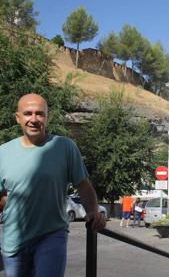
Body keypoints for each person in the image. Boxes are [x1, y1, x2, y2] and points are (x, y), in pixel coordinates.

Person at [0, 93, 106, 277]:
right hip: (13, 240)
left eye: (39, 114)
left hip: (51, 235)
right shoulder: (3, 152)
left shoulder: (65, 147)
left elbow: (83, 185)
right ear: (18, 118)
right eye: (28, 113)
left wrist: (94, 211)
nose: (34, 119)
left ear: (47, 117)